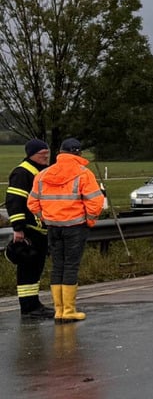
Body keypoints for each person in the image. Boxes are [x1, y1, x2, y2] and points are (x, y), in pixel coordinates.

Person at [26, 138, 104, 323]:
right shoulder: (84, 174)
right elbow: (95, 202)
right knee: (70, 266)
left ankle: (59, 311)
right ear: (78, 153)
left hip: (53, 227)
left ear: (60, 152)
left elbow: (32, 202)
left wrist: (45, 217)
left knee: (57, 266)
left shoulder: (44, 174)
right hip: (75, 226)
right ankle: (69, 310)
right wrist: (90, 221)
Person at [4, 139, 55, 319]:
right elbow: (14, 202)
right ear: (32, 154)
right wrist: (18, 228)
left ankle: (33, 304)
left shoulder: (40, 171)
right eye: (42, 154)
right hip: (28, 228)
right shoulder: (22, 173)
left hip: (40, 228)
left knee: (36, 267)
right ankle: (28, 307)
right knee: (28, 267)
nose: (46, 157)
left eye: (47, 153)